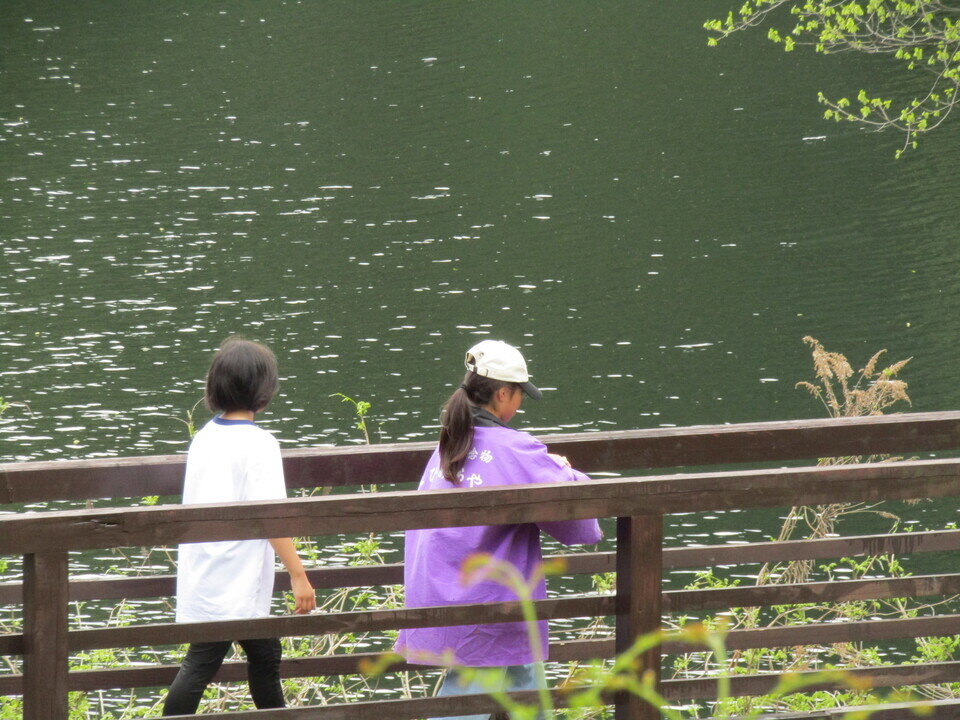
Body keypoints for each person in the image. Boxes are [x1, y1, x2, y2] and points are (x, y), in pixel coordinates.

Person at [395, 340, 602, 719]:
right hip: (487, 602)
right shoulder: (514, 448)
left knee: (525, 679)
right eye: (520, 394)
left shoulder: (448, 444)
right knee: (469, 696)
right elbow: (579, 518)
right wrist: (562, 468)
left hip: (439, 590)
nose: (520, 403)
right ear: (503, 394)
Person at [163, 337, 316, 716]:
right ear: (264, 389)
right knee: (203, 660)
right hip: (235, 575)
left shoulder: (205, 437)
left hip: (206, 566)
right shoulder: (258, 443)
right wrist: (298, 574)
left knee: (263, 651)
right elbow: (271, 516)